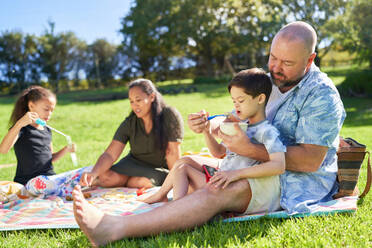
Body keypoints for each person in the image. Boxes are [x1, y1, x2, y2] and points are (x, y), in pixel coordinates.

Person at [72, 21, 346, 246]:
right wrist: (212, 123)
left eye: (286, 62)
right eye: (273, 57)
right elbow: (239, 114)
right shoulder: (270, 80)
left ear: (310, 60)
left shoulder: (322, 96)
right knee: (189, 163)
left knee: (219, 188)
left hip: (293, 181)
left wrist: (244, 150)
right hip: (254, 163)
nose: (275, 68)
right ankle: (175, 206)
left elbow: (310, 161)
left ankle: (114, 227)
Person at [143, 68, 286, 215]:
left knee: (183, 170)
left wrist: (236, 174)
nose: (235, 106)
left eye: (241, 101)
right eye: (233, 101)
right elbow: (218, 152)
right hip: (224, 179)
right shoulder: (241, 127)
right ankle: (167, 198)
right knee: (183, 165)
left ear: (260, 99)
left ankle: (178, 209)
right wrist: (206, 130)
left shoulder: (268, 131)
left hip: (234, 187)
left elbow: (279, 166)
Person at [79, 78, 184, 189]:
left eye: (138, 100)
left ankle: (125, 181)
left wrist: (176, 180)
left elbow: (172, 152)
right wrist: (94, 173)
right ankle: (124, 181)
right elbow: (110, 154)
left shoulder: (169, 115)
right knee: (105, 176)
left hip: (157, 167)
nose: (134, 106)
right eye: (131, 101)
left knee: (141, 183)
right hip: (133, 163)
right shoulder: (130, 122)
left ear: (152, 97)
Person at [0, 85, 76, 187]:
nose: (49, 114)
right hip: (28, 182)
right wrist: (19, 124)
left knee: (77, 178)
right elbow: (3, 150)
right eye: (46, 109)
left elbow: (50, 158)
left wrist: (66, 150)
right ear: (31, 106)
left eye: (52, 110)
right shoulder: (21, 128)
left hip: (48, 178)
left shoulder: (47, 130)